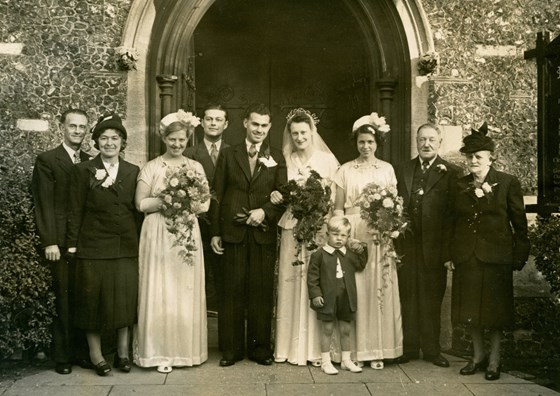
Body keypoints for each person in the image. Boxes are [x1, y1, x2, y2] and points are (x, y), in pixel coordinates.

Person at [449, 122, 530, 380]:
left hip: (497, 257)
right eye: (470, 157)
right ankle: (478, 357)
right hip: (468, 255)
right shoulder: (460, 184)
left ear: (490, 158)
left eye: (478, 157)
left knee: (495, 312)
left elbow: (519, 222)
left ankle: (495, 360)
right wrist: (451, 254)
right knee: (471, 311)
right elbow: (453, 222)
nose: (473, 161)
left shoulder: (507, 183)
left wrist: (520, 253)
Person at [209, 103, 287, 367]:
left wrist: (265, 212)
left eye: (265, 125)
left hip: (262, 235)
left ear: (270, 127)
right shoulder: (230, 154)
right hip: (232, 233)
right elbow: (217, 194)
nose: (259, 130)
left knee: (260, 292)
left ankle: (260, 349)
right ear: (245, 123)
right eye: (255, 124)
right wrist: (215, 233)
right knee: (231, 292)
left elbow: (282, 194)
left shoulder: (276, 156)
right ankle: (231, 351)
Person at [133, 110, 209, 373]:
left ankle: (185, 352)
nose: (177, 145)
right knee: (159, 287)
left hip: (186, 233)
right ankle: (158, 352)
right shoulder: (152, 167)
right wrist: (167, 201)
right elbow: (140, 203)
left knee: (183, 288)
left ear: (188, 140)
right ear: (164, 138)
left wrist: (188, 202)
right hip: (158, 233)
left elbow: (205, 202)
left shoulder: (195, 167)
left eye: (182, 140)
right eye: (172, 139)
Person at [67, 114, 141, 376]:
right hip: (93, 246)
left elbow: (137, 211)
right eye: (104, 138)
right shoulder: (82, 170)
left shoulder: (133, 171)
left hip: (124, 246)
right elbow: (74, 209)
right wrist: (72, 245)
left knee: (124, 299)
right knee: (91, 300)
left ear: (123, 143)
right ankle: (96, 354)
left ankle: (122, 352)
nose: (110, 143)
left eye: (115, 138)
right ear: (96, 142)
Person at [333, 114, 403, 369]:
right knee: (355, 292)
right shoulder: (345, 170)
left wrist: (387, 227)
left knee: (377, 290)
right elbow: (338, 208)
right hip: (354, 235)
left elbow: (395, 206)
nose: (366, 147)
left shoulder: (386, 169)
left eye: (370, 142)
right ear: (356, 143)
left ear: (377, 143)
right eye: (361, 142)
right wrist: (344, 238)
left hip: (378, 236)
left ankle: (378, 350)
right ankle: (352, 352)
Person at [272, 108, 340, 366]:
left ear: (312, 132)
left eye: (303, 132)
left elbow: (333, 198)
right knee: (291, 283)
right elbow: (279, 189)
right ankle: (288, 348)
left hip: (317, 228)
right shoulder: (286, 158)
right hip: (292, 225)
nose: (299, 137)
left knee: (315, 284)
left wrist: (318, 212)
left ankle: (315, 350)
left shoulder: (327, 160)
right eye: (294, 133)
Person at [393, 123, 460, 367]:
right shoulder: (403, 169)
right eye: (422, 139)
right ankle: (409, 347)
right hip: (407, 246)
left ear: (439, 142)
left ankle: (432, 350)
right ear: (417, 142)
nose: (426, 144)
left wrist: (448, 252)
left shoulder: (451, 172)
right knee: (408, 295)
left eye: (431, 139)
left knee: (432, 297)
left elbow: (454, 216)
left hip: (435, 247)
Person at [31, 109, 92, 374]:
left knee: (83, 298)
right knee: (63, 298)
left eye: (82, 127)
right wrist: (49, 242)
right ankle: (63, 357)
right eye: (73, 126)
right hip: (59, 242)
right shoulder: (47, 160)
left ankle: (82, 353)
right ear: (61, 128)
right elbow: (43, 204)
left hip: (85, 242)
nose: (78, 131)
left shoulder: (91, 161)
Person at [184, 103, 230, 317]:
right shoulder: (190, 153)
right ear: (202, 123)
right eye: (209, 119)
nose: (213, 123)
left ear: (226, 124)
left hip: (224, 223)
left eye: (218, 119)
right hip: (198, 222)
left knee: (223, 276)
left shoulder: (233, 153)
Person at [307, 216, 367, 375]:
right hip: (327, 298)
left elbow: (361, 264)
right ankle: (325, 362)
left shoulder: (349, 254)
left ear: (348, 237)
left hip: (346, 297)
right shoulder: (319, 255)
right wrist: (315, 294)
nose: (339, 239)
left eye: (343, 235)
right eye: (335, 234)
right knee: (327, 329)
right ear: (327, 234)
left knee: (346, 329)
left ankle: (346, 360)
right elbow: (312, 277)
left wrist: (361, 248)